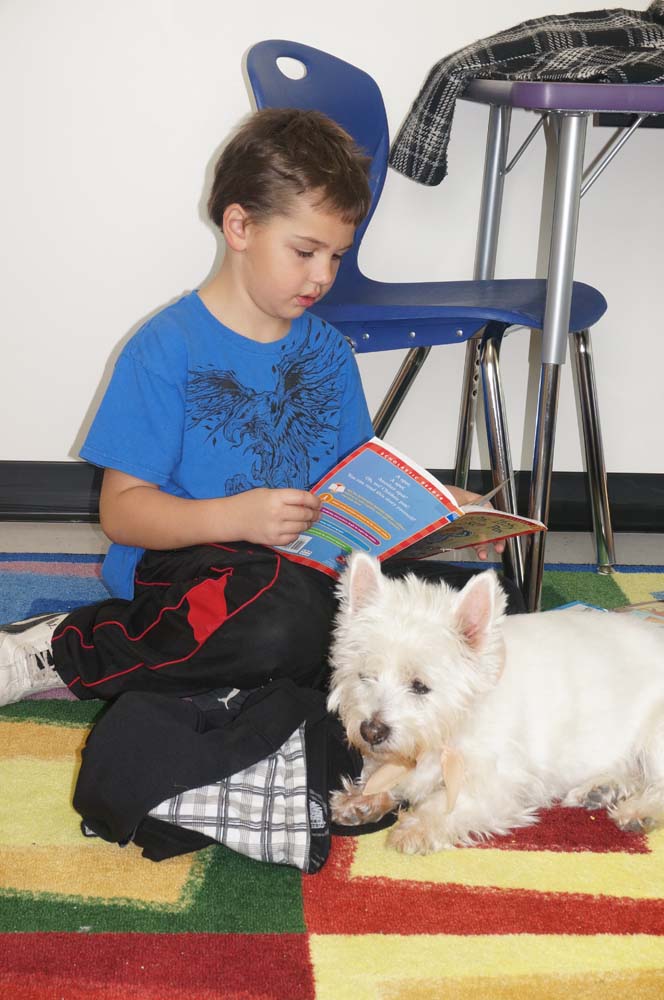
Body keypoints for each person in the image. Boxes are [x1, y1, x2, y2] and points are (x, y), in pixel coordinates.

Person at [0, 108, 524, 709]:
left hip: (308, 569)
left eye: (336, 257)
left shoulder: (327, 350)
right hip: (188, 568)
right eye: (304, 251)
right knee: (275, 619)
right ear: (240, 226)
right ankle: (67, 645)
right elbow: (123, 515)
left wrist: (440, 511)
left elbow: (353, 483)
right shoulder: (168, 347)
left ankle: (255, 674)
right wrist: (237, 519)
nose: (323, 276)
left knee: (480, 610)